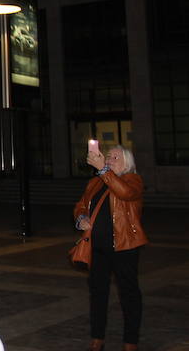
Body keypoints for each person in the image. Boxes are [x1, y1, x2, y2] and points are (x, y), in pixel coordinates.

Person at [74, 143, 147, 351]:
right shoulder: (95, 183)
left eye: (116, 158)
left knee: (129, 293)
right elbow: (81, 204)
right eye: (108, 157)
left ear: (127, 163)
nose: (109, 160)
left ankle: (130, 341)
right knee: (98, 293)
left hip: (124, 246)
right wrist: (80, 218)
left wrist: (104, 171)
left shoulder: (133, 180)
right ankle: (97, 338)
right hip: (97, 248)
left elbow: (124, 192)